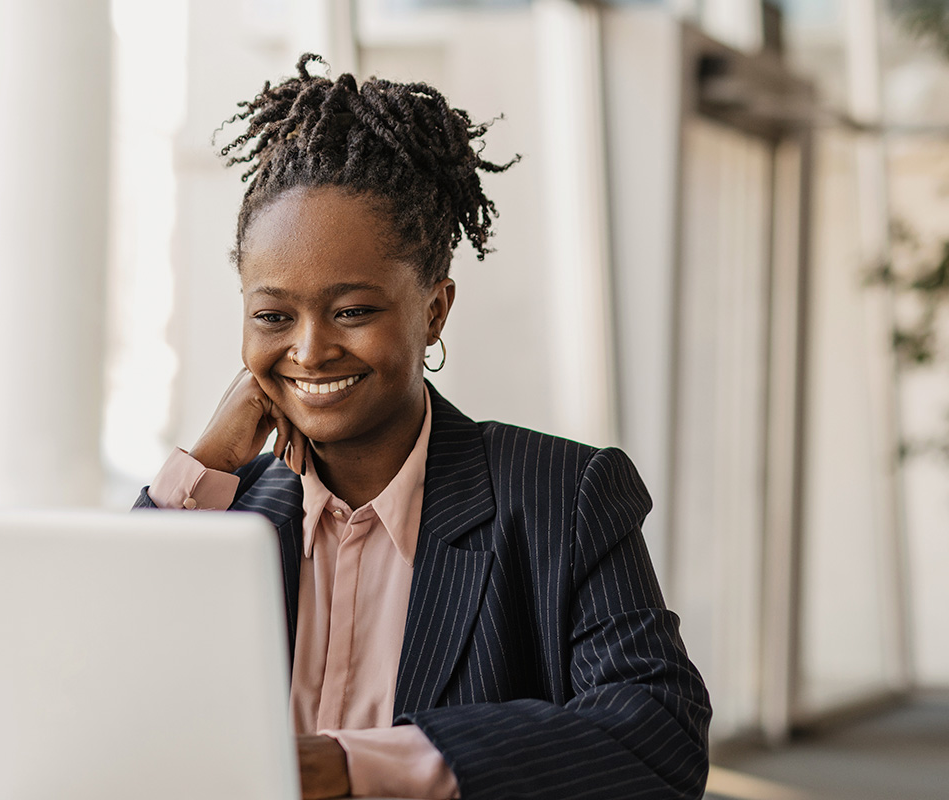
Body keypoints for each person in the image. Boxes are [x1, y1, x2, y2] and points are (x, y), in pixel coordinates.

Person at [134, 54, 711, 800]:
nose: (309, 350)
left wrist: (351, 766)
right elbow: (97, 684)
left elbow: (658, 733)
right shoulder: (223, 507)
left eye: (353, 311)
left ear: (434, 310)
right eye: (274, 316)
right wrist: (204, 461)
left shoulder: (561, 497)